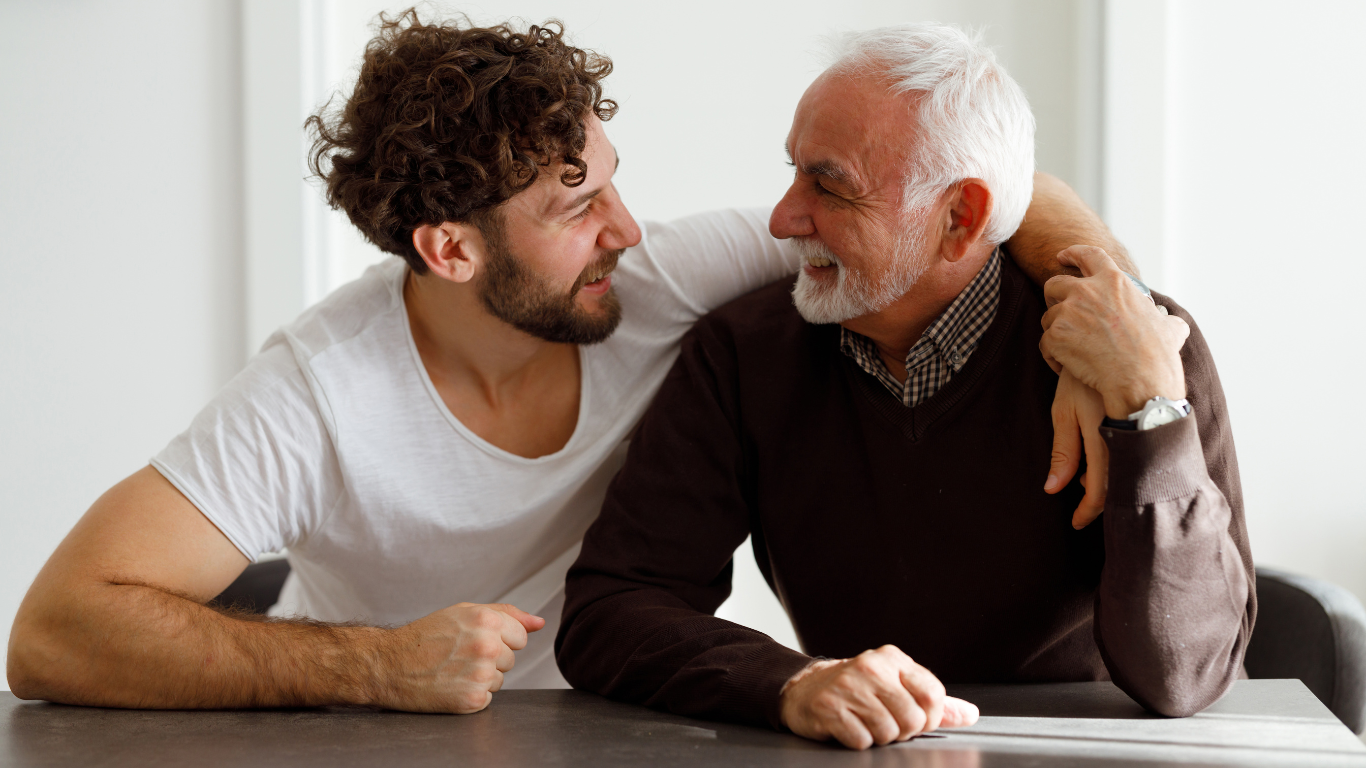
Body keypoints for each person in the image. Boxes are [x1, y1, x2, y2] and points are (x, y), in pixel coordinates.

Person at [8, 12, 1135, 713]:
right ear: (450, 250)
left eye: (611, 178)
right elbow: (54, 628)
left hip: (633, 726)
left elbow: (983, 196)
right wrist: (373, 668)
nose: (628, 229)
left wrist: (1100, 320)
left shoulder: (656, 281)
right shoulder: (316, 394)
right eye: (576, 204)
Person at [556, 23, 1253, 750]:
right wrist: (789, 682)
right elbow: (613, 607)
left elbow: (1186, 677)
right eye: (792, 172)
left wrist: (1150, 414)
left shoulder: (1142, 350)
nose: (783, 218)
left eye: (829, 185)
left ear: (961, 218)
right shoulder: (742, 354)